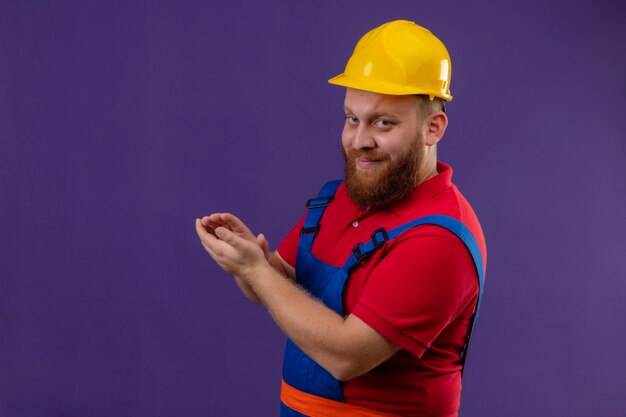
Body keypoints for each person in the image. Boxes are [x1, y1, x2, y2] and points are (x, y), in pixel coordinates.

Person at [195, 20, 486, 417]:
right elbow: (277, 289)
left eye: (383, 123)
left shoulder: (440, 237)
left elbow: (347, 357)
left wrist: (256, 272)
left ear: (432, 128)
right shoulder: (342, 198)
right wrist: (250, 264)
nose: (359, 140)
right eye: (352, 118)